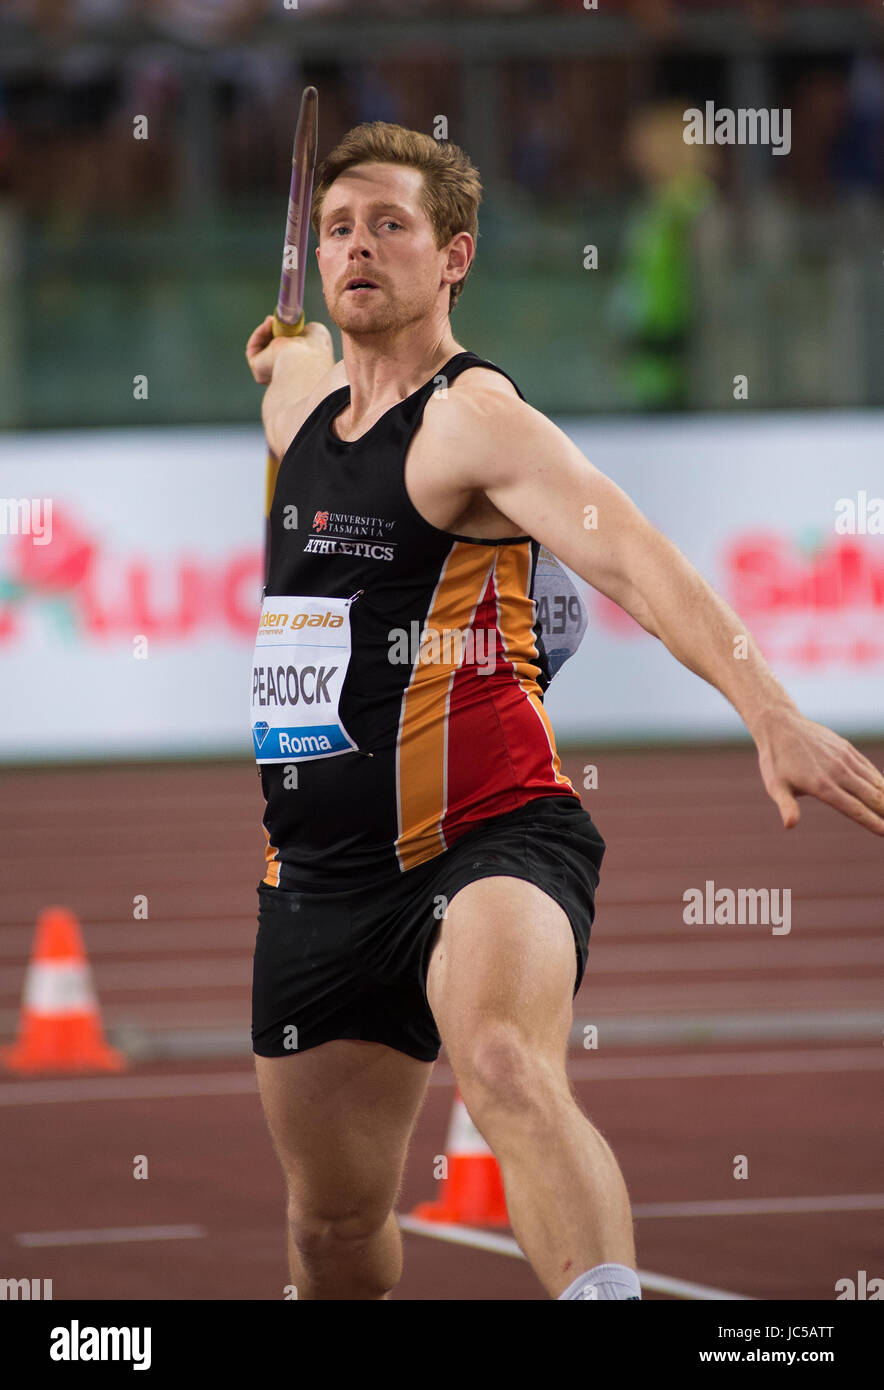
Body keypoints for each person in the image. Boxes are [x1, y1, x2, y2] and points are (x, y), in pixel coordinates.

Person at [244, 121, 884, 1302]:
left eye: (391, 224)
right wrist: (279, 355)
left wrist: (770, 709)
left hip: (489, 835)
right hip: (317, 878)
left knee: (504, 1059)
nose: (358, 247)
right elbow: (288, 365)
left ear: (455, 256)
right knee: (330, 1230)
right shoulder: (298, 403)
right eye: (338, 228)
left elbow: (632, 555)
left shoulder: (471, 420)